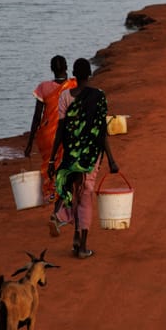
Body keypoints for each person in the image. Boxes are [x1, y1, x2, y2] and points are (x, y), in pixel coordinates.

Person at [47, 58, 119, 258]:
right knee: (85, 195)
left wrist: (53, 159)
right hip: (90, 155)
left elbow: (60, 130)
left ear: (74, 76)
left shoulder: (64, 97)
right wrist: (112, 159)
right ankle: (81, 246)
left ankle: (72, 231)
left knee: (73, 192)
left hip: (71, 154)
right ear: (89, 74)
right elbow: (101, 130)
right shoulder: (99, 96)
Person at [24, 55, 76, 202]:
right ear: (67, 67)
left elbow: (36, 117)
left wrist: (29, 143)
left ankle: (52, 193)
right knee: (66, 162)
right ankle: (65, 190)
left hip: (48, 135)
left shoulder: (43, 87)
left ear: (51, 69)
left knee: (50, 162)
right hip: (68, 132)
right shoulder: (74, 85)